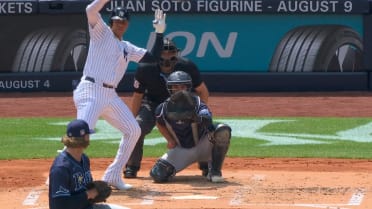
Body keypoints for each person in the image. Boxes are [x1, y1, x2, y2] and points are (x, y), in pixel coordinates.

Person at [73, 0, 167, 190]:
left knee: (133, 130)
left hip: (109, 95)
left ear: (128, 24)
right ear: (111, 22)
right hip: (91, 90)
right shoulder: (101, 32)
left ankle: (113, 175)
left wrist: (159, 33)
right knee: (79, 136)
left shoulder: (126, 47)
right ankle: (62, 175)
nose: (120, 24)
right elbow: (90, 9)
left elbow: (152, 58)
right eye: (117, 21)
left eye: (123, 21)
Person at [124, 38, 210, 178]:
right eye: (163, 59)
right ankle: (132, 165)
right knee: (137, 127)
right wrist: (132, 120)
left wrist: (200, 111)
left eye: (171, 58)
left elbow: (203, 91)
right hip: (152, 103)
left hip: (182, 104)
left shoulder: (187, 66)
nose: (167, 63)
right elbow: (137, 96)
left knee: (201, 125)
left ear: (177, 55)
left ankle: (205, 164)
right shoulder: (145, 67)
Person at [149, 71, 232, 183]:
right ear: (170, 88)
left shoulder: (198, 103)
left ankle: (214, 170)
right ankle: (204, 165)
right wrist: (170, 140)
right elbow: (159, 122)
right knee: (157, 174)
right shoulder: (163, 108)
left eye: (182, 86)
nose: (179, 89)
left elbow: (208, 120)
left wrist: (196, 117)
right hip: (183, 149)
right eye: (175, 87)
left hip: (204, 145)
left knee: (223, 130)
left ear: (188, 87)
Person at [49, 119, 126, 209]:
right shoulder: (61, 168)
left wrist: (95, 191)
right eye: (88, 135)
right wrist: (90, 194)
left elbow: (85, 189)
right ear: (84, 137)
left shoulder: (84, 159)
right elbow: (59, 205)